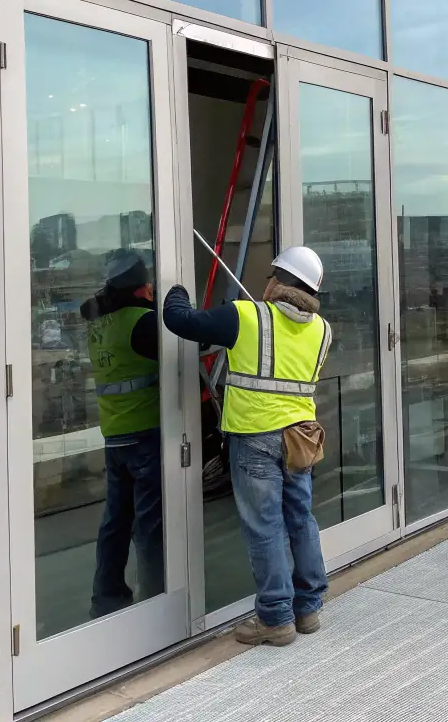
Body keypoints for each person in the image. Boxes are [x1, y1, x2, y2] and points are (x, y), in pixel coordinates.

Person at [162, 246, 332, 646]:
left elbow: (180, 320)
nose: (266, 282)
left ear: (280, 282)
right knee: (301, 520)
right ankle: (307, 609)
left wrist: (176, 290)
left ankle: (275, 619)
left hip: (255, 438)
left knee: (265, 527)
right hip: (300, 439)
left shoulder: (246, 315)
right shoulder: (323, 330)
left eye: (272, 275)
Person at [82, 248, 165, 617]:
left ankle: (107, 596)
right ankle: (155, 598)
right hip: (146, 434)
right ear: (140, 287)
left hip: (115, 436)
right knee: (149, 525)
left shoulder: (99, 323)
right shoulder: (142, 322)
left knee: (116, 521)